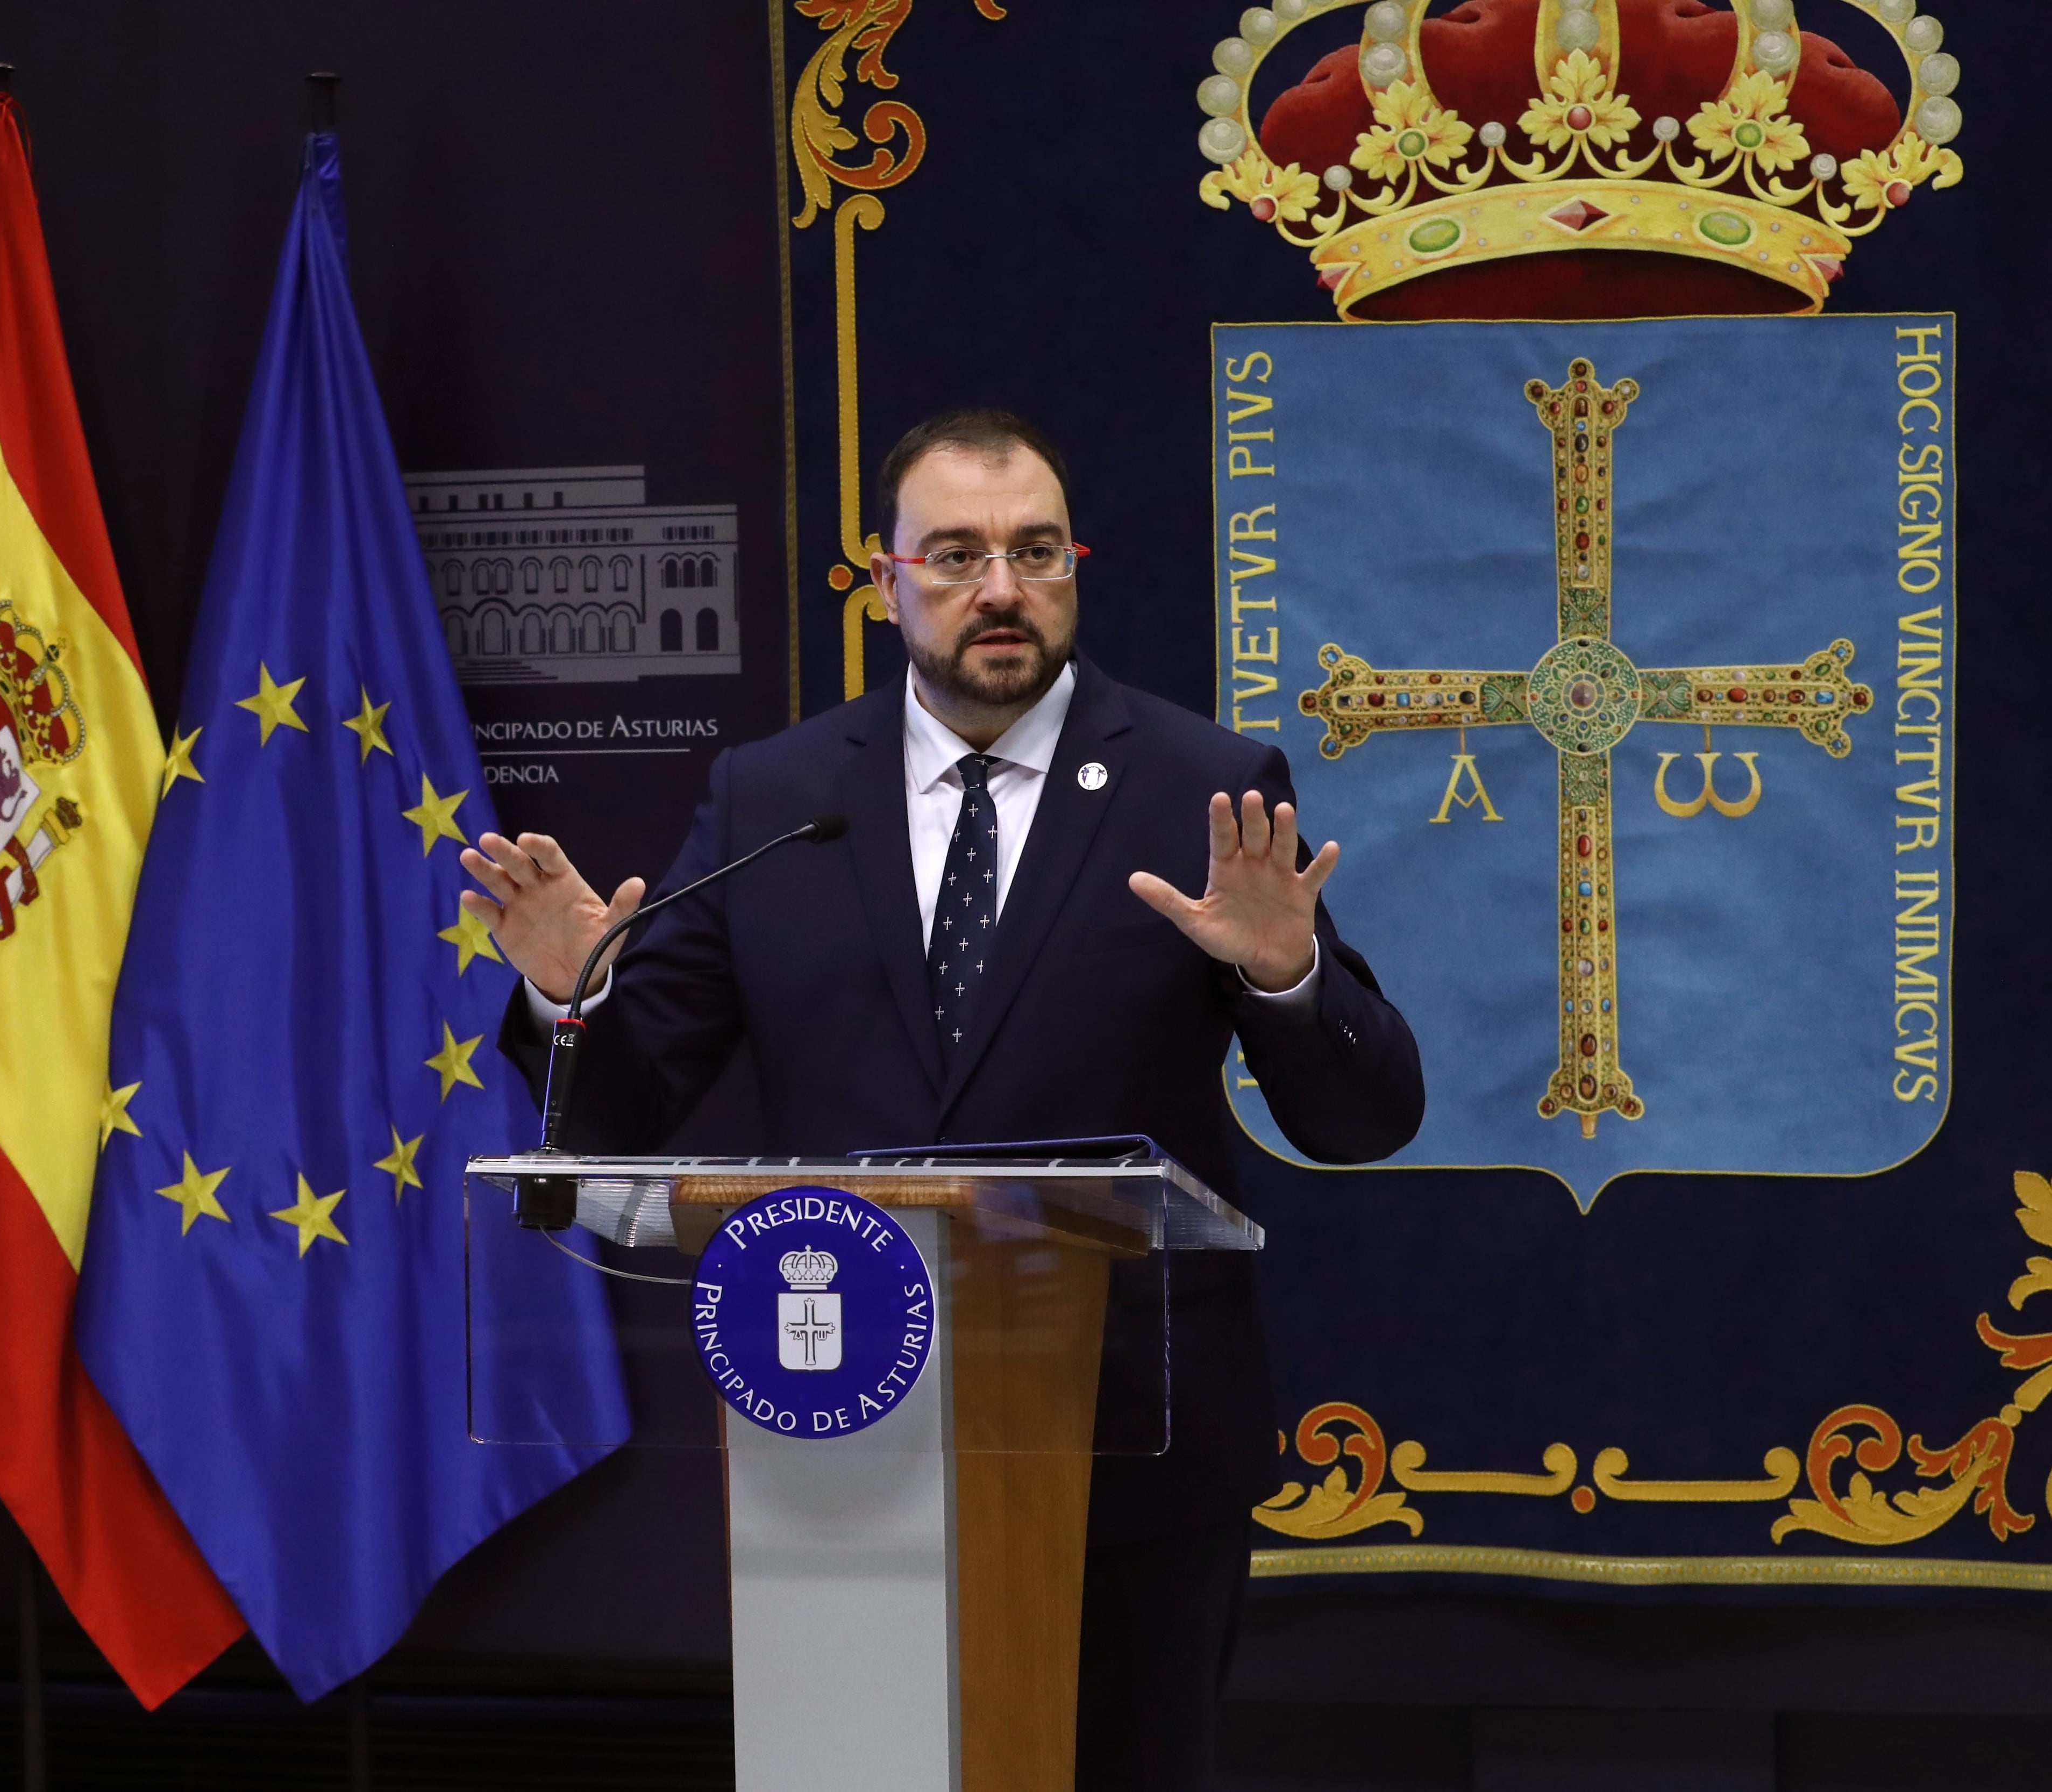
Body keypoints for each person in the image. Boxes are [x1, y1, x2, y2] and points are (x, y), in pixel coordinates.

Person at [460, 408, 1424, 1789]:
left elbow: (1365, 1116)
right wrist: (575, 999)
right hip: (838, 1417)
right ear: (884, 575)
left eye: (1036, 552)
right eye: (958, 554)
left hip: (1127, 1429)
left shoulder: (1199, 787)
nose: (1001, 590)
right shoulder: (776, 797)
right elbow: (622, 1109)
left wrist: (1286, 975)